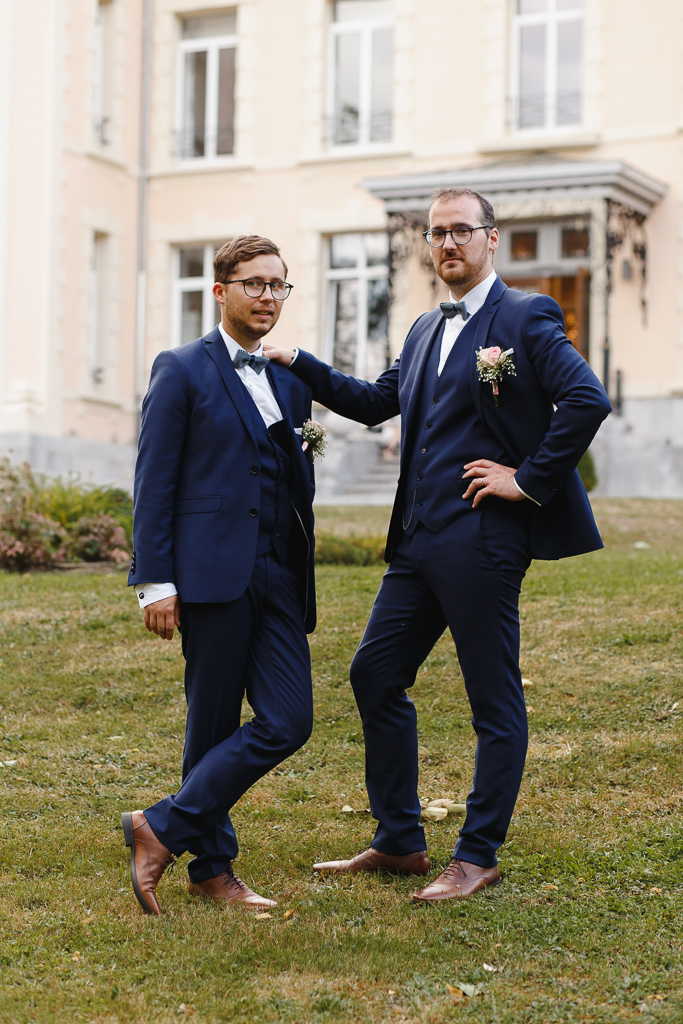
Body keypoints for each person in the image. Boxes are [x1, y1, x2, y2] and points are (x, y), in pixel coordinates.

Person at [264, 187, 611, 903]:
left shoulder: (523, 315)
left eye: (460, 231)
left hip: (483, 538)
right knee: (373, 674)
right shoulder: (423, 328)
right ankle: (398, 841)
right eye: (436, 233)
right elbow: (371, 402)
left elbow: (585, 398)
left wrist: (529, 479)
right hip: (417, 541)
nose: (447, 243)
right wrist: (296, 359)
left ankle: (476, 854)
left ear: (490, 239)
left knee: (493, 699)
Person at [123, 235, 316, 915]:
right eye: (255, 284)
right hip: (208, 575)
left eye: (278, 286)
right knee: (210, 724)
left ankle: (160, 826)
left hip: (278, 576)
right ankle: (211, 868)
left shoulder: (289, 380)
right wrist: (155, 581)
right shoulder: (180, 369)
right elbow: (154, 481)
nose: (268, 297)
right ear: (220, 292)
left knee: (291, 719)